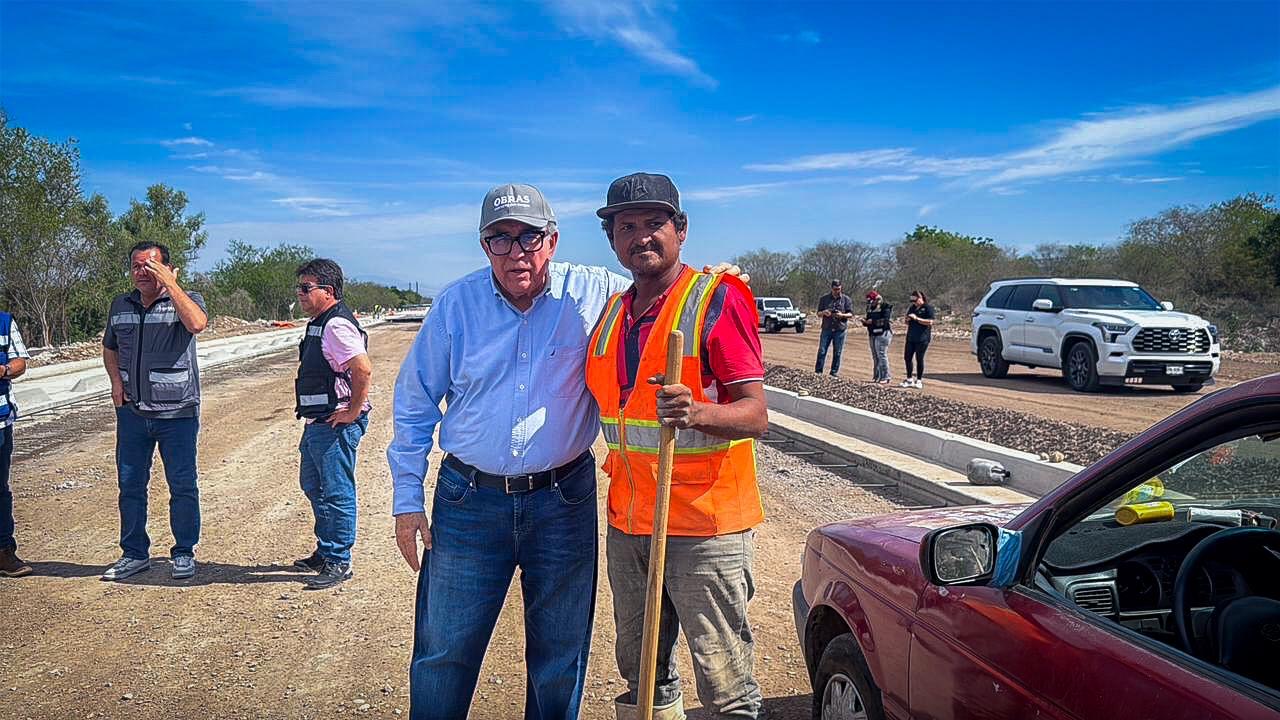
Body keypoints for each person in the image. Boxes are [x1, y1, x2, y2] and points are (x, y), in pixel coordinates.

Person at [388, 184, 630, 720]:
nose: (516, 252)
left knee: (560, 656)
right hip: (469, 502)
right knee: (444, 651)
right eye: (500, 238)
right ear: (484, 246)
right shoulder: (456, 306)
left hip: (564, 500)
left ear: (553, 241)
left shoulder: (598, 293)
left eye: (529, 237)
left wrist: (715, 282)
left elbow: (665, 291)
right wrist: (407, 500)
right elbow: (415, 403)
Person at [588, 172, 768, 720]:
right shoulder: (612, 313)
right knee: (642, 672)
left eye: (654, 223)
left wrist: (698, 412)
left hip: (704, 526)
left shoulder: (716, 299)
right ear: (612, 240)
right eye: (626, 227)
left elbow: (756, 414)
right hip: (630, 523)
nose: (640, 236)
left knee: (725, 681)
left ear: (681, 230)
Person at [102, 241, 208, 581]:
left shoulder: (187, 300)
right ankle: (134, 554)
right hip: (132, 412)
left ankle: (184, 552)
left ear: (167, 269)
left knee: (182, 485)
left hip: (177, 413)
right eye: (136, 266)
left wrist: (171, 285)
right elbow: (109, 347)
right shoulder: (121, 305)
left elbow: (197, 324)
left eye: (150, 266)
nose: (141, 272)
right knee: (130, 485)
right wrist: (116, 384)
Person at [291, 259, 372, 590]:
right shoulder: (319, 322)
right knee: (313, 485)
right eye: (299, 288)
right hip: (319, 421)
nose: (300, 294)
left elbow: (362, 368)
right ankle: (326, 551)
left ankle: (339, 560)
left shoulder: (336, 325)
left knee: (336, 492)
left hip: (335, 424)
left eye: (306, 288)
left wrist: (352, 412)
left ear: (328, 291)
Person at [0, 310, 32, 578]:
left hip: (0, 421)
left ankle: (3, 551)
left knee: (0, 490)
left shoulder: (4, 322)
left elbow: (20, 362)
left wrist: (5, 370)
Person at [814, 279, 855, 376]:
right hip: (827, 328)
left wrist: (842, 315)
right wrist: (824, 312)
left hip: (839, 329)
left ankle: (834, 372)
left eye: (839, 289)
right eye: (835, 289)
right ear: (831, 288)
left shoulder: (846, 299)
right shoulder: (824, 299)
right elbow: (818, 313)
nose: (837, 291)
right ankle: (818, 371)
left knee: (837, 352)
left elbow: (850, 314)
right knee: (822, 350)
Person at [901, 290, 935, 388]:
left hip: (922, 338)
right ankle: (909, 379)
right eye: (912, 301)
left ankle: (919, 380)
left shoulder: (928, 308)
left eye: (915, 301)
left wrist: (917, 318)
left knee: (919, 358)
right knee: (907, 357)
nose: (914, 303)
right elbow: (906, 321)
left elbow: (930, 322)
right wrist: (907, 319)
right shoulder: (912, 308)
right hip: (911, 337)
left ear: (921, 298)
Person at [861, 290, 893, 384]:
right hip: (872, 334)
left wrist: (873, 322)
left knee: (881, 354)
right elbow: (868, 319)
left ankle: (885, 376)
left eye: (872, 301)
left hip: (883, 333)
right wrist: (865, 322)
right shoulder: (870, 308)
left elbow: (885, 320)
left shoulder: (885, 307)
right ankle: (877, 376)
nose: (871, 303)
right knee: (875, 356)